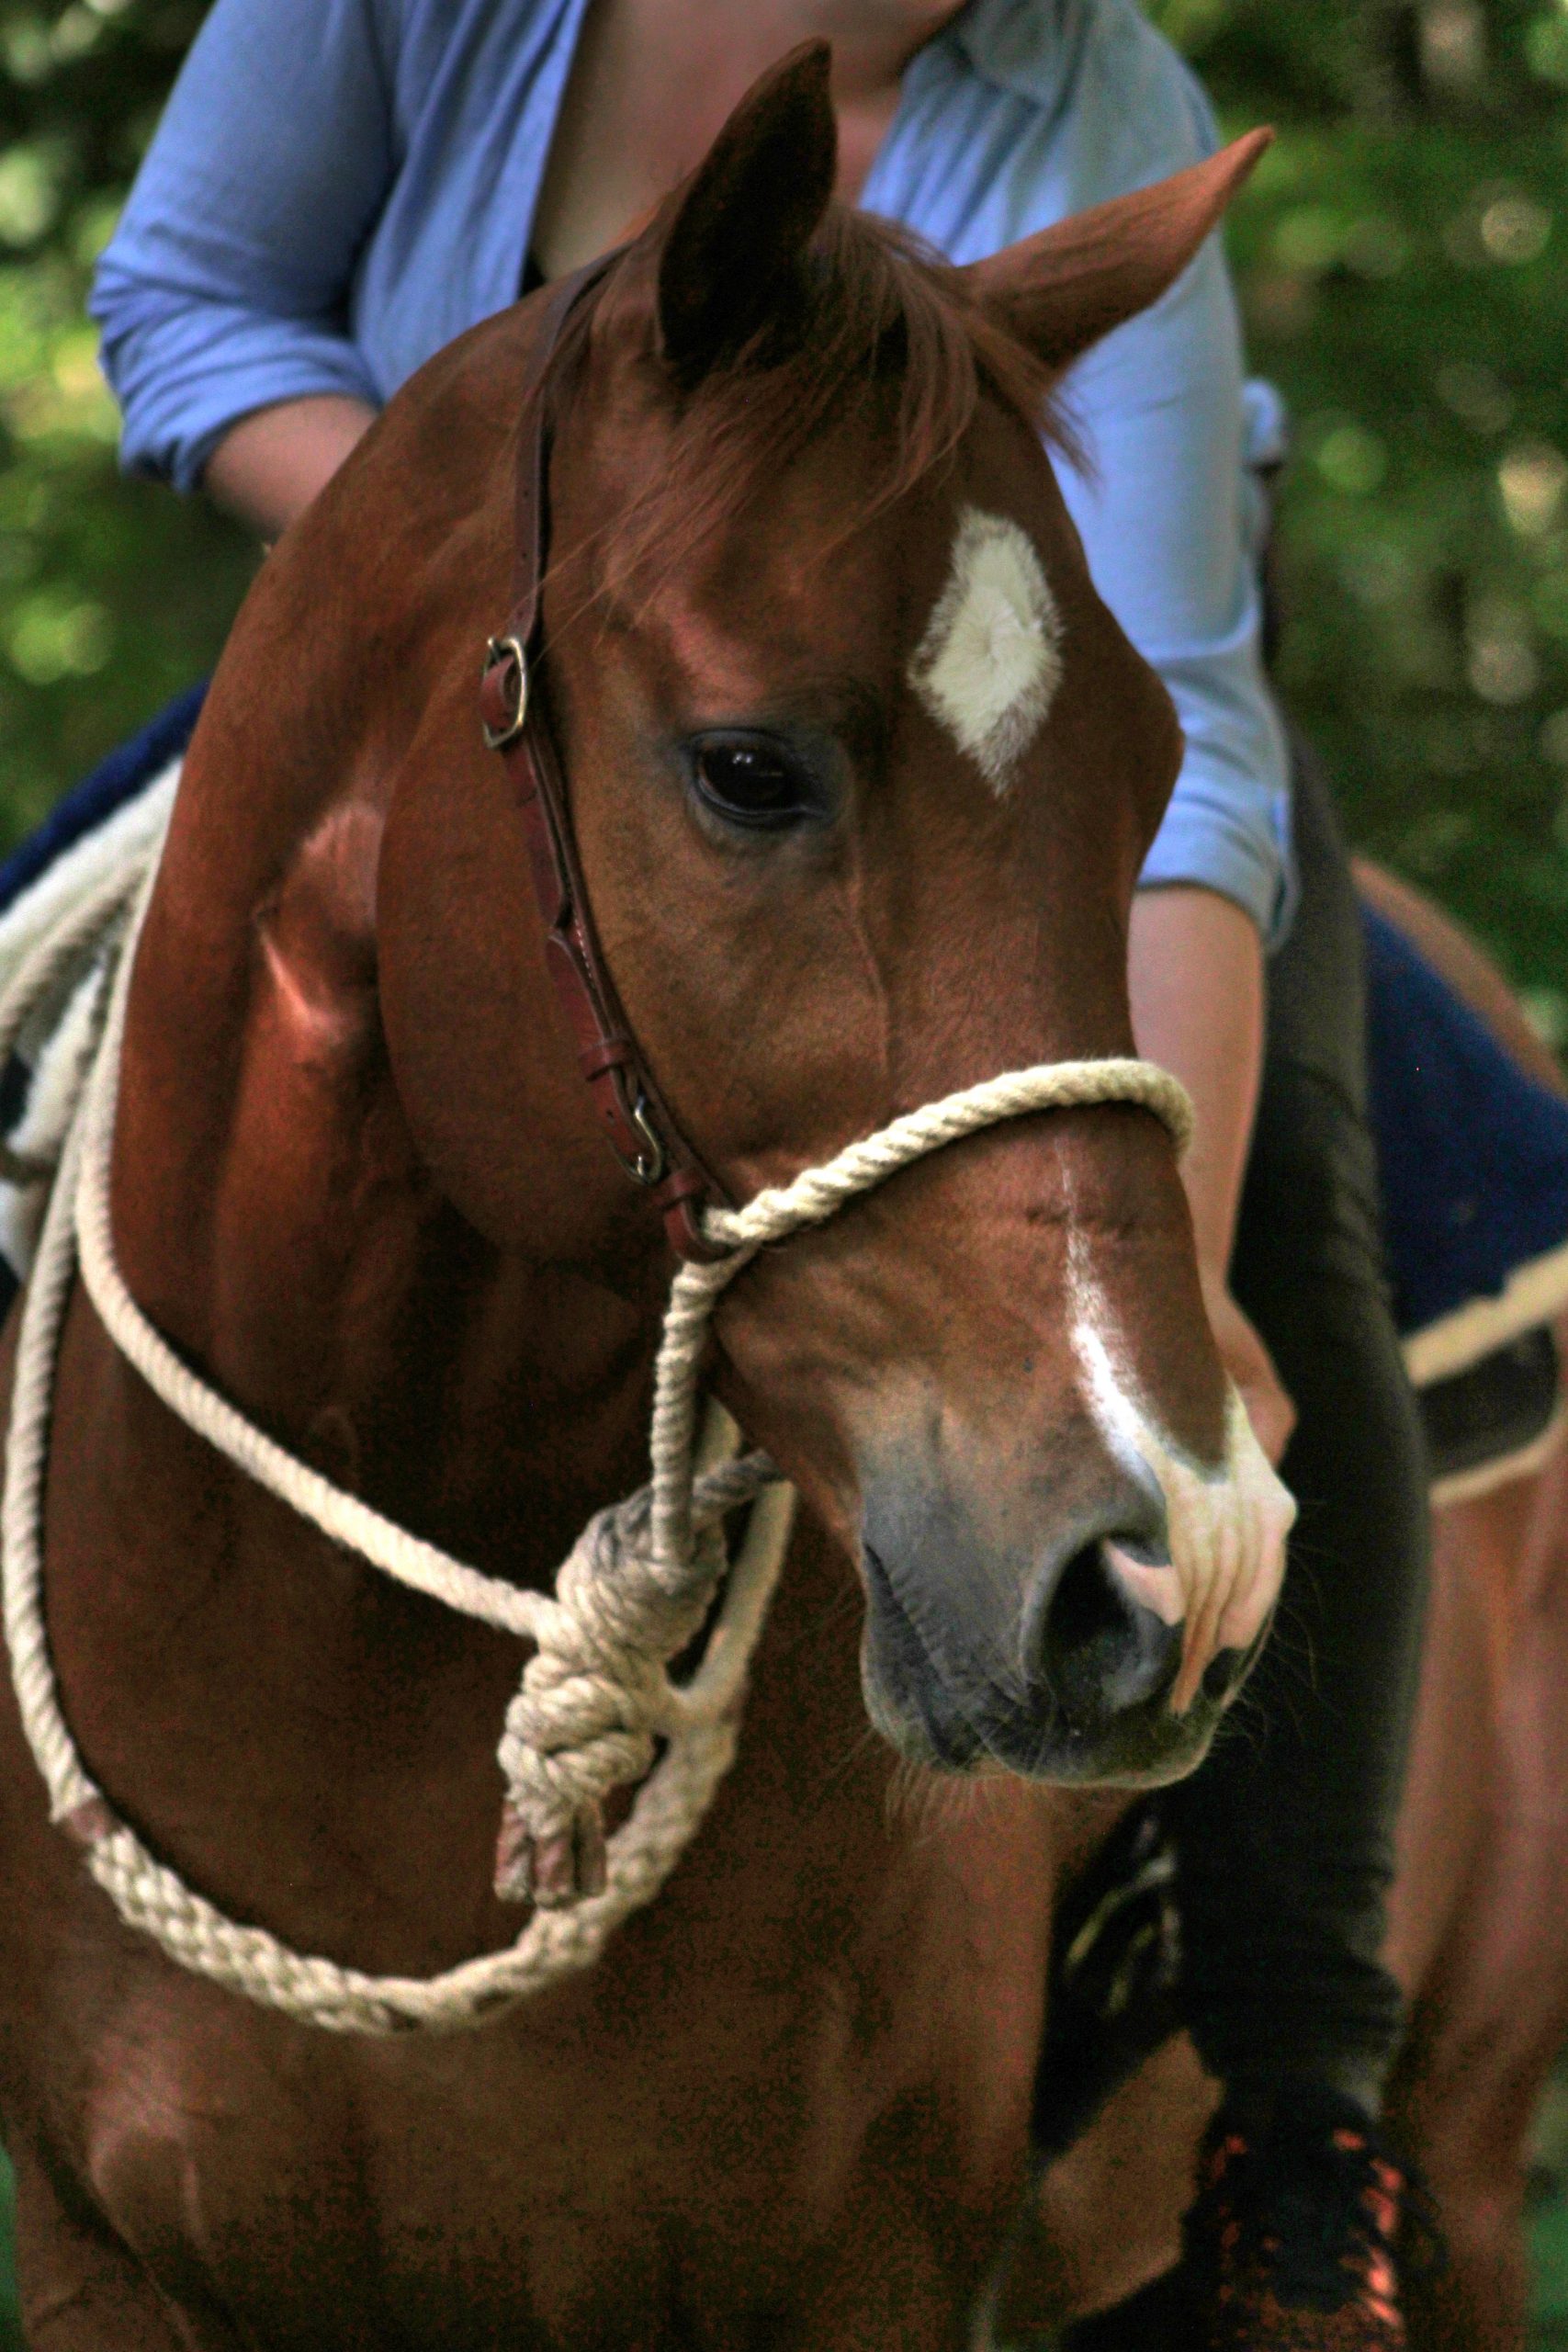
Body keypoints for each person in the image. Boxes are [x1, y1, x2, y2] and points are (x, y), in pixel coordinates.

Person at [88, 2, 1431, 2342]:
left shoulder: (1097, 96)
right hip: (453, 681)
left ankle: (1296, 2115)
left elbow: (1193, 740)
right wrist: (503, 568)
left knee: (1319, 1260)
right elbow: (187, 308)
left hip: (1021, 762)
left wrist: (1159, 1299)